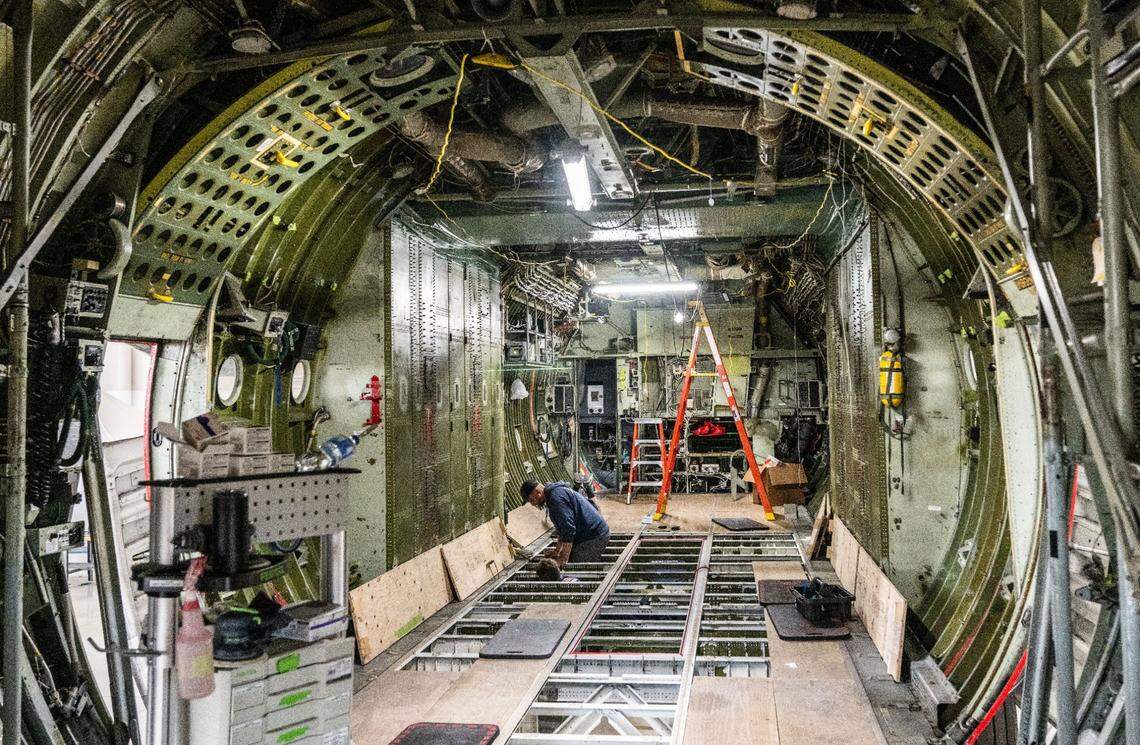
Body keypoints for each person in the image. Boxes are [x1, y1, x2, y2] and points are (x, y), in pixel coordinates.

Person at [521, 480, 610, 568]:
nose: (533, 504)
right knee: (570, 558)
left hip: (594, 537)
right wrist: (557, 551)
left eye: (531, 500)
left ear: (537, 492)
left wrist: (563, 558)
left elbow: (568, 529)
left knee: (577, 569)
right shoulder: (554, 493)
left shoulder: (556, 499)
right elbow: (562, 529)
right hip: (591, 533)